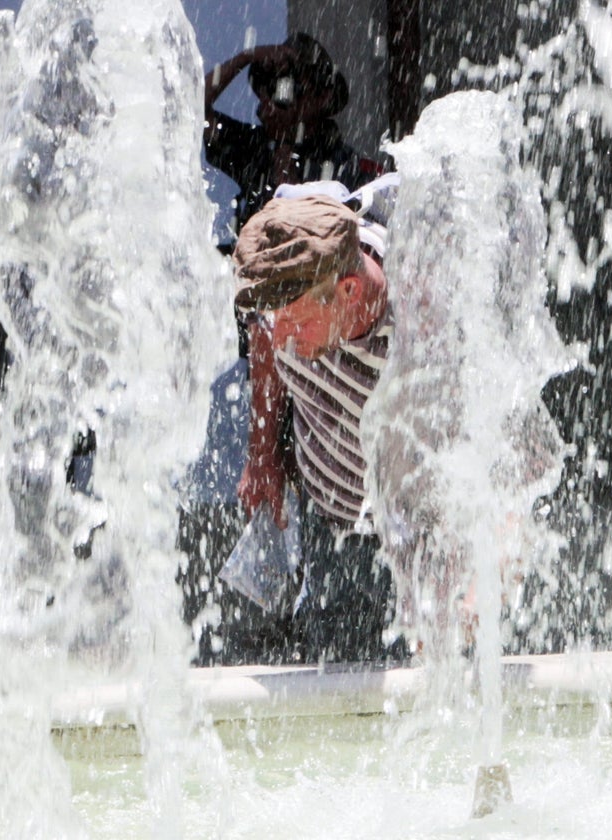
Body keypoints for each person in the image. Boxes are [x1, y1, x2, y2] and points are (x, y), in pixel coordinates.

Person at [231, 184, 397, 662]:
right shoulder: (296, 271)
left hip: (422, 542)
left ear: (349, 291)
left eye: (294, 322)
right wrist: (262, 453)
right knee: (337, 692)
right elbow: (264, 340)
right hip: (331, 520)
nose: (279, 335)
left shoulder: (422, 321)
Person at [204, 32, 381, 239]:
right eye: (271, 86)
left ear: (322, 97)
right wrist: (246, 57)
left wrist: (285, 143)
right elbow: (193, 110)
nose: (279, 94)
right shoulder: (252, 146)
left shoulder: (349, 167)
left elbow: (303, 231)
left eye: (291, 86)